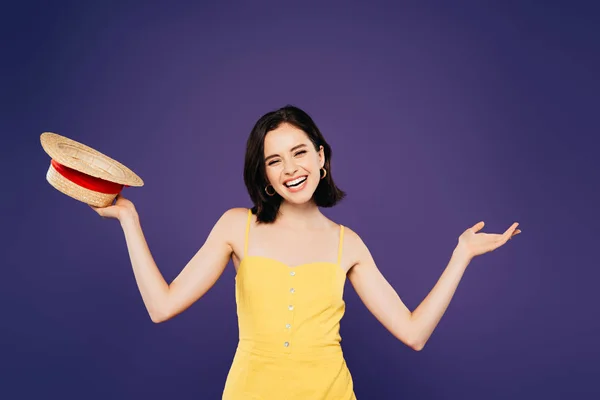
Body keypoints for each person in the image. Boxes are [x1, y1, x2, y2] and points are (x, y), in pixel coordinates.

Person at [90, 105, 521, 399]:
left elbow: (413, 333)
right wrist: (131, 221)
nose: (290, 168)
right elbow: (161, 306)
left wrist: (460, 255)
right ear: (264, 175)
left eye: (299, 153)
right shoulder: (236, 226)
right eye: (274, 160)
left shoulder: (346, 243)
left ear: (321, 158)